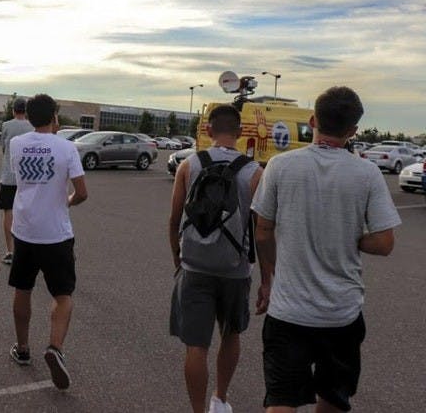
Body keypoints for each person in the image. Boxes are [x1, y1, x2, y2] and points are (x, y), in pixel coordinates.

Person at [252, 86, 398, 412]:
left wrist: (267, 278)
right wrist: (351, 236)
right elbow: (385, 242)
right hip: (341, 314)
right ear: (353, 131)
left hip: (288, 312)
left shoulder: (279, 166)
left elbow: (262, 231)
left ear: (312, 119)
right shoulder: (367, 173)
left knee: (281, 400)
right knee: (333, 399)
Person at [168, 104, 263, 413]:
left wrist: (177, 259)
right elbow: (263, 229)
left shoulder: (189, 165)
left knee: (196, 345)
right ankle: (219, 399)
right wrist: (267, 277)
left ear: (208, 131)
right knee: (230, 333)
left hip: (194, 266)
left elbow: (173, 219)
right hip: (235, 270)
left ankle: (197, 410)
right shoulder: (254, 172)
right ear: (239, 133)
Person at [7, 94, 87, 390]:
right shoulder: (67, 148)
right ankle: (54, 347)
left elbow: (23, 180)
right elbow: (82, 192)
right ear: (55, 116)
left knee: (22, 288)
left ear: (28, 117)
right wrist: (66, 201)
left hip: (25, 231)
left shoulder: (17, 144)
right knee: (63, 294)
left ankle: (23, 347)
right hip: (56, 233)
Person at [0, 97, 34, 265]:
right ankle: (27, 250)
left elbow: (4, 147)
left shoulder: (6, 126)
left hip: (8, 176)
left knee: (8, 212)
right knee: (27, 212)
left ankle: (10, 251)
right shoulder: (31, 126)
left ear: (13, 110)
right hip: (27, 176)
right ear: (25, 111)